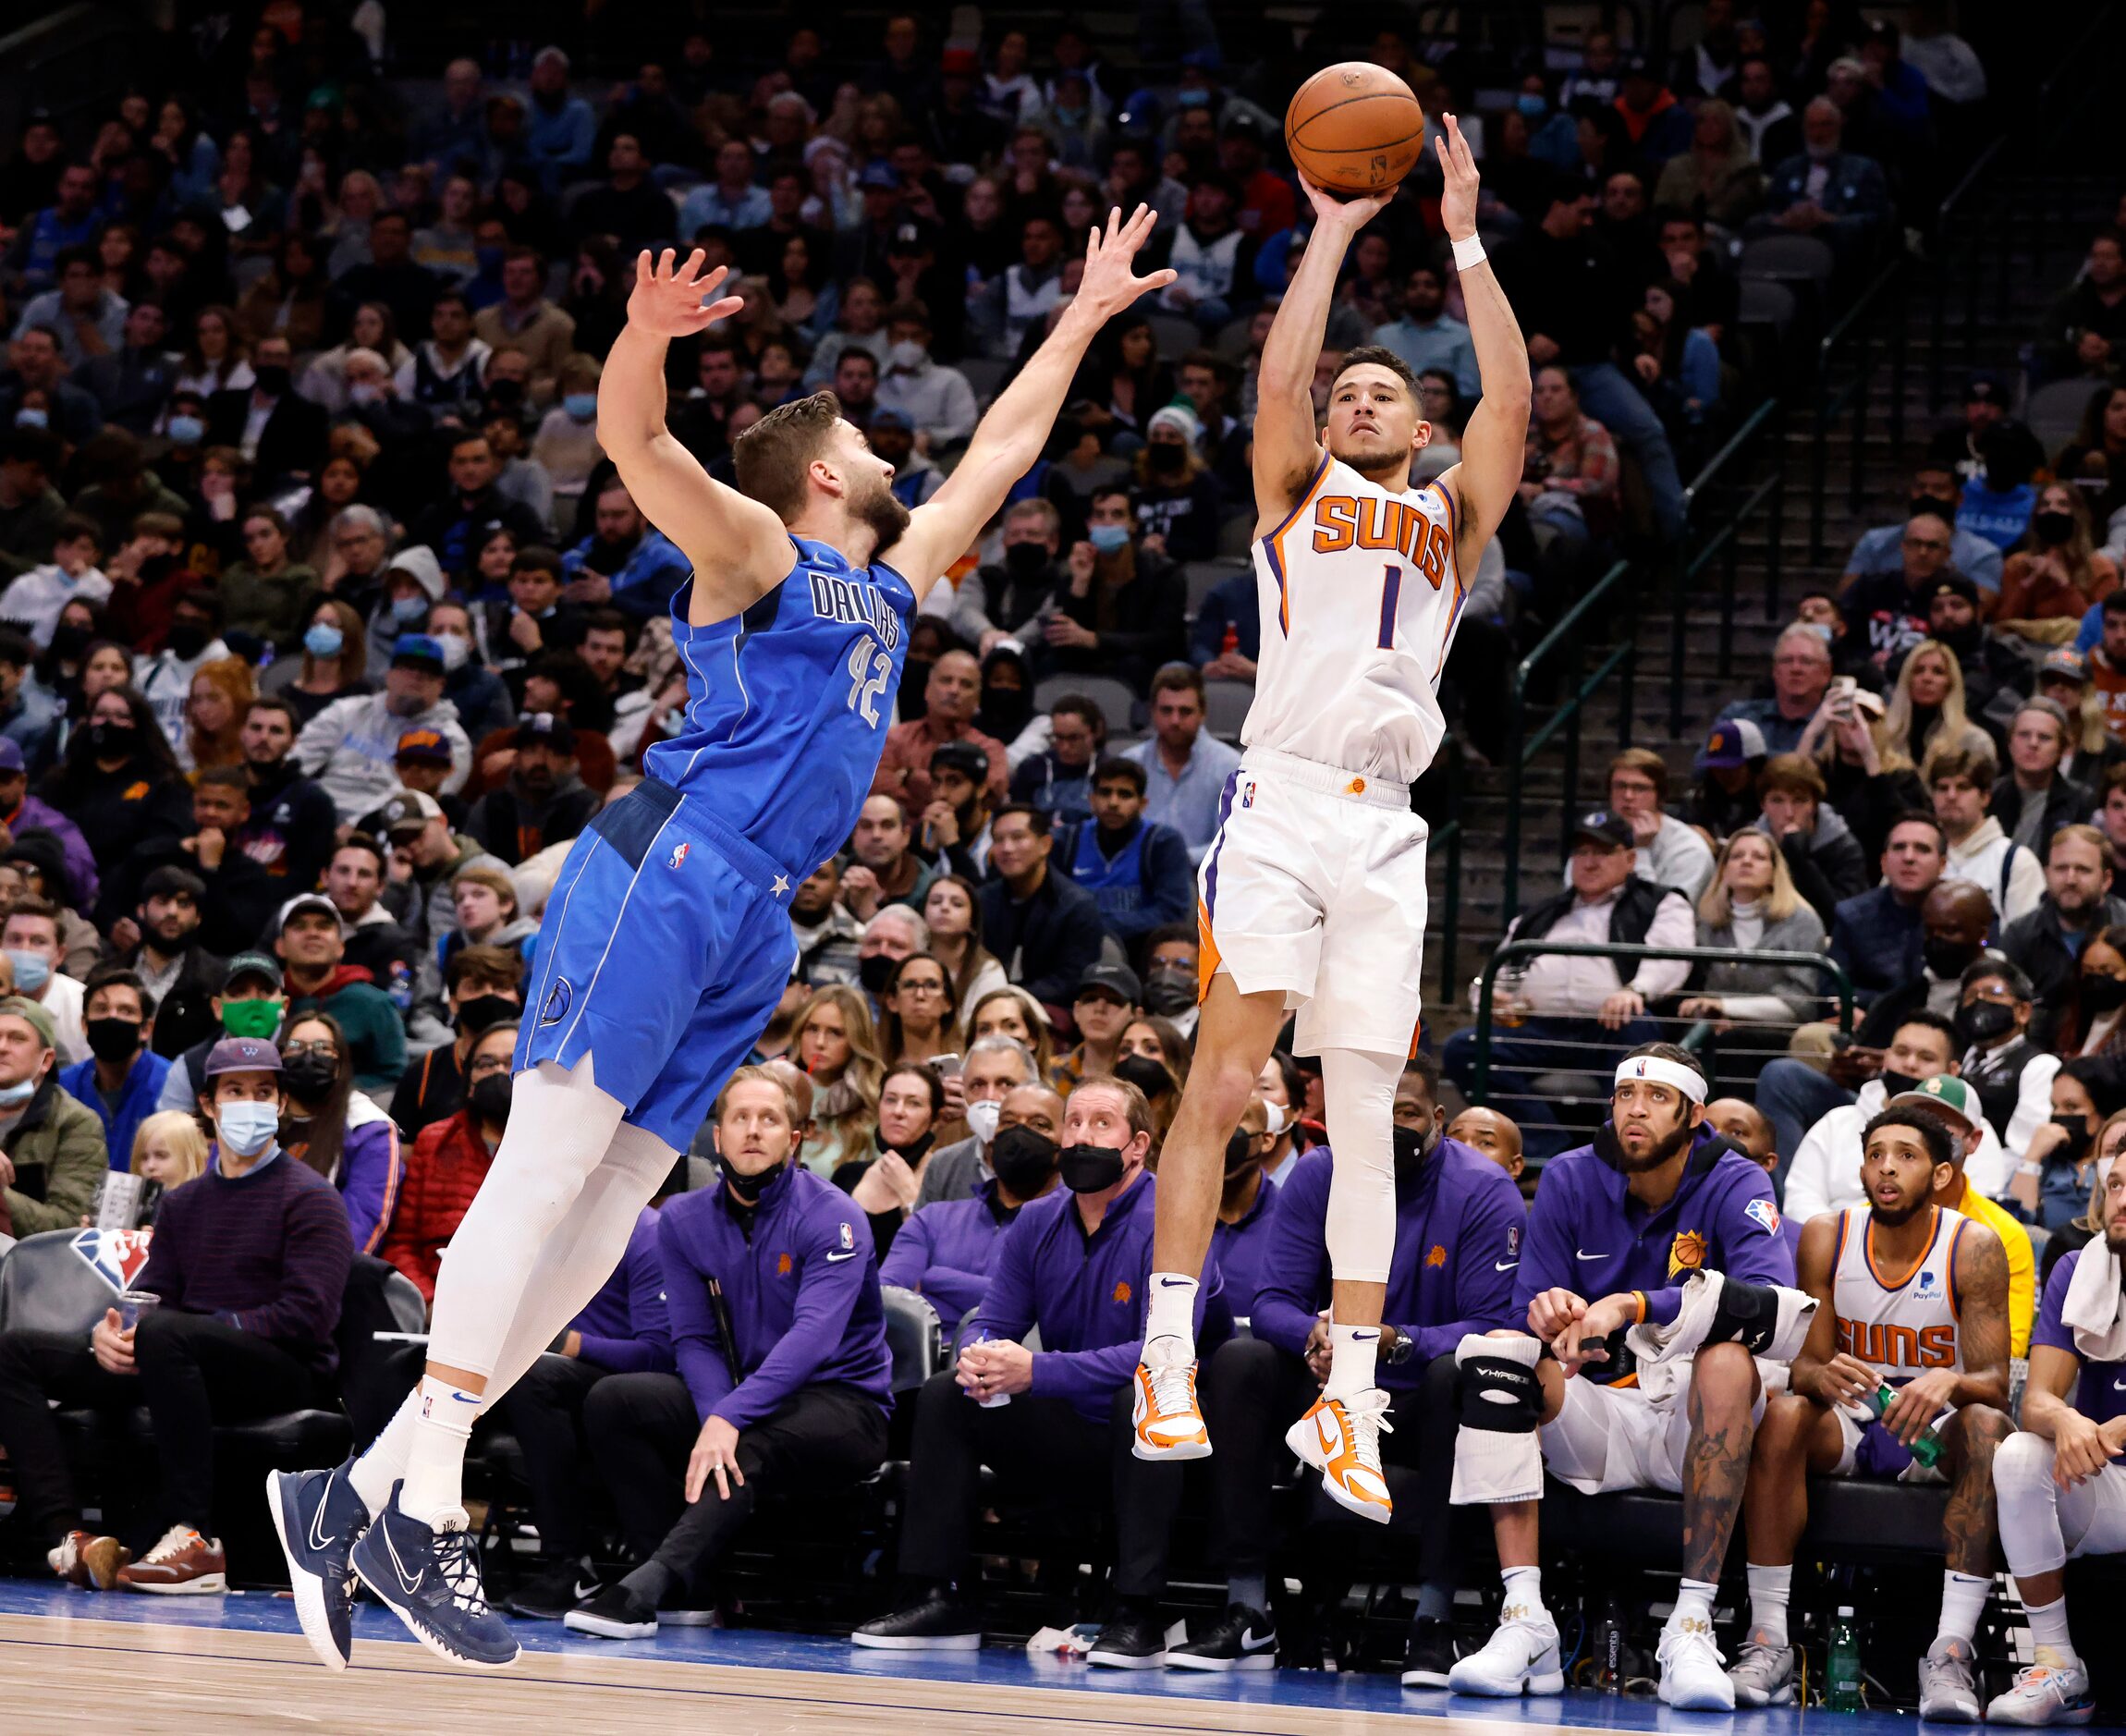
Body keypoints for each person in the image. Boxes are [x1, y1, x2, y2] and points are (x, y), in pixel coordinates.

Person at [270, 214, 1177, 1672]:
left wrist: (1078, 317)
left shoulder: (891, 585)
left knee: (613, 1203)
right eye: (873, 441)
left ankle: (357, 1488)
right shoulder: (757, 546)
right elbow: (642, 451)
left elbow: (1001, 454)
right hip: (669, 867)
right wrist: (644, 339)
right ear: (825, 474)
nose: (899, 457)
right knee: (548, 1163)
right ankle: (423, 1490)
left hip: (758, 911)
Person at [1131, 119, 1528, 1520]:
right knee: (1227, 1084)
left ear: (1420, 428)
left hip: (1390, 826)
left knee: (1366, 1115)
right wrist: (1340, 227)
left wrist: (1466, 232)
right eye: (1349, 392)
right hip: (1287, 801)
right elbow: (1281, 374)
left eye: (1385, 393)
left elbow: (1515, 410)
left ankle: (1348, 1396)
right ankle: (1166, 1350)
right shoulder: (1295, 493)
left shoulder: (1449, 517)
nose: (1357, 401)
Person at [1445, 1045, 1794, 1709]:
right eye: (1626, 1097)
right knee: (1498, 1350)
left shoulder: (1737, 1180)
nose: (1636, 1110)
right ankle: (1527, 1621)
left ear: (1694, 1116)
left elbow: (1773, 1302)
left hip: (1696, 1416)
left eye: (1658, 1099)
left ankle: (1690, 1627)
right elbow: (1527, 1299)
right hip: (1602, 1411)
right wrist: (1549, 1311)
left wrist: (1635, 1305)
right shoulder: (1573, 1176)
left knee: (1727, 1360)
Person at [1155, 1058, 1524, 1677]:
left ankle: (1433, 1620)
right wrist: (1317, 1335)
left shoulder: (1484, 1190)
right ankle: (1248, 1609)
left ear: (1436, 1119)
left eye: (1404, 1114)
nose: (1388, 1128)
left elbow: (1491, 1325)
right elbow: (1271, 1301)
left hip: (1416, 1394)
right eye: (1372, 1115)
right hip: (1329, 1387)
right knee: (1243, 1360)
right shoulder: (1321, 1173)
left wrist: (1393, 1341)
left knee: (1457, 1377)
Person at [852, 1075, 1211, 1652]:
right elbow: (996, 1319)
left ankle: (1137, 1609)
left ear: (1138, 1146)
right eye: (1073, 1123)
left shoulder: (1175, 1220)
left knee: (1138, 1400)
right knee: (948, 1394)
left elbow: (1165, 1351)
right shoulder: (1040, 1220)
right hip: (1070, 1424)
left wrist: (1038, 1372)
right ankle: (935, 1596)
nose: (1081, 1136)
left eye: (1101, 1124)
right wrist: (982, 1358)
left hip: (1170, 1434)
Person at [2, 1033, 353, 1595]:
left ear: (282, 1105)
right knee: (18, 1349)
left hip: (283, 1371)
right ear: (209, 1106)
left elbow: (308, 1317)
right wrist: (110, 1333)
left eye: (264, 1092)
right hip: (180, 1358)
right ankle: (68, 1536)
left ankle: (196, 1538)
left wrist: (196, 1329)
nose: (250, 1103)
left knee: (168, 1335)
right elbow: (153, 1296)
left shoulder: (311, 1197)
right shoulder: (186, 1203)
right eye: (234, 1091)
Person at [562, 1066, 889, 1639]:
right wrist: (718, 1409)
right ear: (717, 1137)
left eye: (770, 1119)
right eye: (740, 1118)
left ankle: (651, 1584)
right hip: (740, 1392)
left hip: (844, 1402)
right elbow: (693, 1338)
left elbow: (813, 1338)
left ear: (795, 1138)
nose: (753, 1131)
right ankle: (691, 1590)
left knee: (753, 1438)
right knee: (615, 1401)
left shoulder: (833, 1216)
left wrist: (727, 1417)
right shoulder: (683, 1219)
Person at [1727, 1104, 2011, 1716]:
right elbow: (1804, 1367)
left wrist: (1948, 1381)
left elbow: (1995, 1386)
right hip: (1851, 1418)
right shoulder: (1829, 1234)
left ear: (1939, 1175)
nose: (1886, 1169)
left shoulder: (1974, 1245)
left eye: (1905, 1156)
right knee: (1780, 1413)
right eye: (1876, 1155)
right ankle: (1769, 1638)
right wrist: (1819, 1371)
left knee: (1989, 1430)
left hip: (1936, 1423)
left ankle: (1951, 1652)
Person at [1441, 813, 1692, 1156]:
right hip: (1539, 1026)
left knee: (1639, 1032)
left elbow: (1672, 956)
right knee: (1463, 1047)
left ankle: (1617, 1154)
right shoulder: (1541, 913)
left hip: (1611, 1025)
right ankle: (1549, 1149)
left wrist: (1635, 990)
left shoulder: (1660, 901)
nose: (1590, 862)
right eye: (1581, 852)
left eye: (1602, 852)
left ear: (1630, 859)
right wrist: (1491, 998)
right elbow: (1491, 976)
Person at [1982, 1155, 2126, 1725]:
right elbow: (2037, 1398)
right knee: (2018, 1455)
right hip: (2111, 1484)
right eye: (2115, 1184)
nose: (2121, 1198)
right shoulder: (2078, 1267)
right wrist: (2066, 1421)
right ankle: (2057, 1662)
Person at [879, 1083, 1066, 1337]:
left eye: (1039, 1125)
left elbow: (1045, 1308)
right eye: (1009, 1122)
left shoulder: (1071, 1227)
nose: (1020, 1132)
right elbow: (887, 1297)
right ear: (991, 1141)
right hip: (923, 1365)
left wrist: (935, 1279)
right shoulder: (932, 1219)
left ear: (1063, 1147)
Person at [379, 1021, 522, 1303]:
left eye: (512, 1063)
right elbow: (402, 1243)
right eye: (486, 1063)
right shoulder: (433, 1141)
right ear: (469, 1081)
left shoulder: (557, 1150)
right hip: (439, 1305)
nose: (499, 1073)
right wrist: (430, 1303)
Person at [292, 634, 472, 824]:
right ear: (389, 675)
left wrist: (356, 825)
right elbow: (297, 762)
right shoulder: (347, 711)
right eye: (408, 668)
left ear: (441, 685)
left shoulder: (452, 741)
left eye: (427, 673)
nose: (417, 677)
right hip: (318, 812)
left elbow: (425, 801)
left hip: (388, 823)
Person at [277, 1012, 402, 1256]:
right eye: (295, 1047)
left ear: (340, 1063)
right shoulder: (257, 1118)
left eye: (323, 1048)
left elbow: (364, 1220)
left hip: (327, 1271)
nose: (309, 1056)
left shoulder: (369, 1128)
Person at [978, 804, 1107, 1018]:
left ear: (1045, 845)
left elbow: (1072, 980)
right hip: (990, 1007)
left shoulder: (1076, 906)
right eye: (999, 840)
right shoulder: (983, 900)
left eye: (1018, 837)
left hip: (1050, 1012)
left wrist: (1010, 997)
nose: (1007, 848)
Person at [2005, 825, 2126, 1049]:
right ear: (2047, 873)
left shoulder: (2123, 926)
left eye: (2083, 869)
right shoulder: (2020, 934)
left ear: (2107, 879)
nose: (2070, 879)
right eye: (2061, 868)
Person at [275, 894, 407, 1095]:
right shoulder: (266, 1002)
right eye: (300, 927)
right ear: (280, 947)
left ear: (340, 947)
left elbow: (393, 1074)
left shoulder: (373, 1003)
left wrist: (336, 1089)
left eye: (323, 926)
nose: (312, 933)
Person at [1055, 757, 1194, 947]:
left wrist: (1101, 928)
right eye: (1105, 793)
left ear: (1142, 804)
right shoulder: (1067, 840)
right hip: (1076, 944)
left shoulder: (1163, 842)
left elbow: (1171, 911)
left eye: (1125, 795)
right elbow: (1050, 905)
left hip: (1140, 948)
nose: (1113, 802)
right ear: (1092, 800)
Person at [0, 993, 106, 1234]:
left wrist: (1, 1197)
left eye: (17, 1039)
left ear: (46, 1060)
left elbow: (67, 1225)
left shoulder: (76, 1123)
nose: (2, 1047)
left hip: (26, 1266)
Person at [1122, 663, 1242, 866]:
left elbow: (1229, 843)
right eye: (1166, 710)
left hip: (1203, 880)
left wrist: (1176, 860)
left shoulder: (1228, 765)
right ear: (1152, 711)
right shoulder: (1130, 763)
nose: (1175, 720)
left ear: (1202, 713)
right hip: (1137, 877)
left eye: (1185, 711)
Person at [57, 967, 169, 1175]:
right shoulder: (64, 1086)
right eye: (101, 1009)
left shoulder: (169, 1083)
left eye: (126, 1011)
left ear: (146, 1029)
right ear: (85, 1024)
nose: (112, 1018)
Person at [1958, 955, 2064, 1168]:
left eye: (1993, 993)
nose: (1980, 1001)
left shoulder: (2040, 1065)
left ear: (2023, 1011)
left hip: (1997, 1182)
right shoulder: (1960, 1060)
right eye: (1971, 996)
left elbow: (2024, 1149)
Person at [1928, 742, 2045, 926]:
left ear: (1985, 797)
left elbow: (2025, 944)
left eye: (1963, 787)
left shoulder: (2016, 861)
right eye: (1943, 788)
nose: (1951, 796)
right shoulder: (1916, 853)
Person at [1607, 747, 1715, 899]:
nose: (1628, 796)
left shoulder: (1689, 850)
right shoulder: (1594, 840)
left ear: (1660, 796)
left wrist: (1641, 853)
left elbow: (1665, 918)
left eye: (1640, 788)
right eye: (1620, 786)